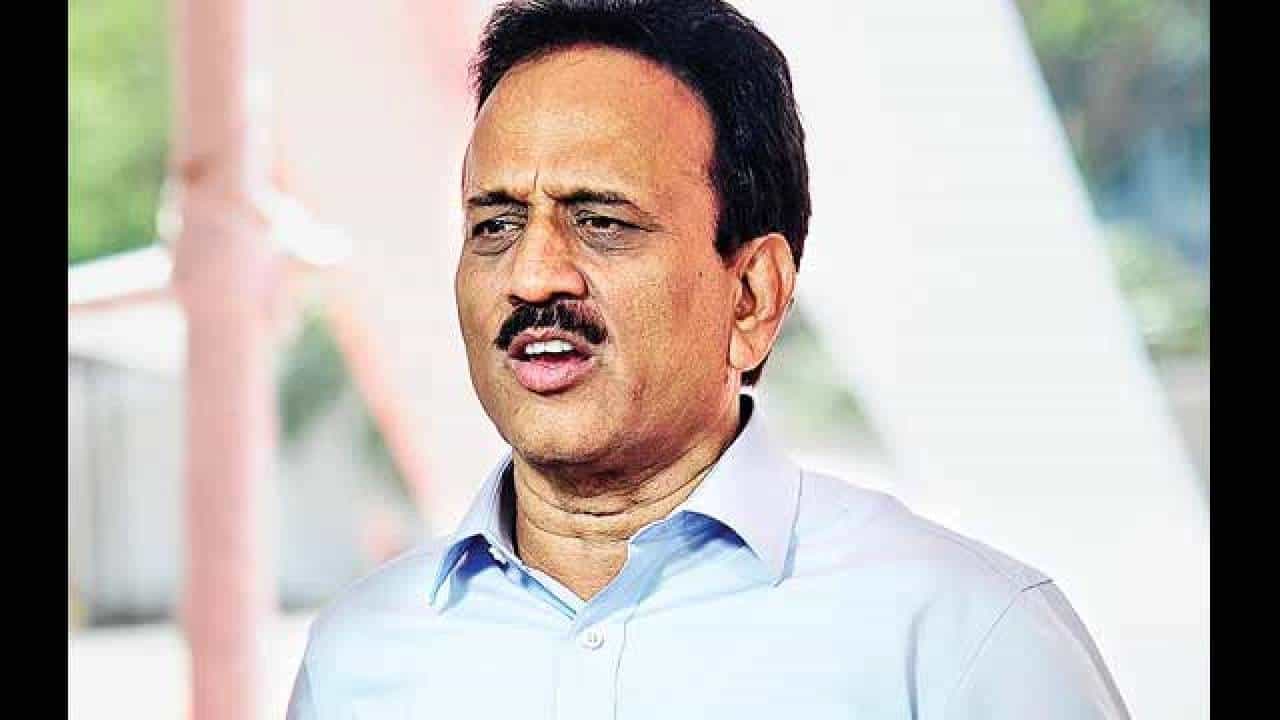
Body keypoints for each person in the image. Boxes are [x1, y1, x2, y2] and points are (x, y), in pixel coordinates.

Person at [287, 1, 1130, 717]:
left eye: (602, 221)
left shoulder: (961, 636)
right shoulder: (361, 657)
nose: (532, 275)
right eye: (496, 224)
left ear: (753, 295)